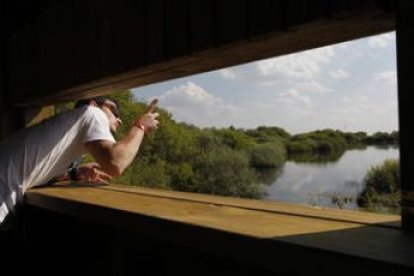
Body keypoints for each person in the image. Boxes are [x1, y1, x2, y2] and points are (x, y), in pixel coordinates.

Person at [0, 96, 159, 228]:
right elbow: (115, 163)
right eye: (114, 111)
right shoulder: (92, 113)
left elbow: (34, 168)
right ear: (93, 103)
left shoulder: (65, 130)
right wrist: (141, 126)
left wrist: (73, 174)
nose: (119, 120)